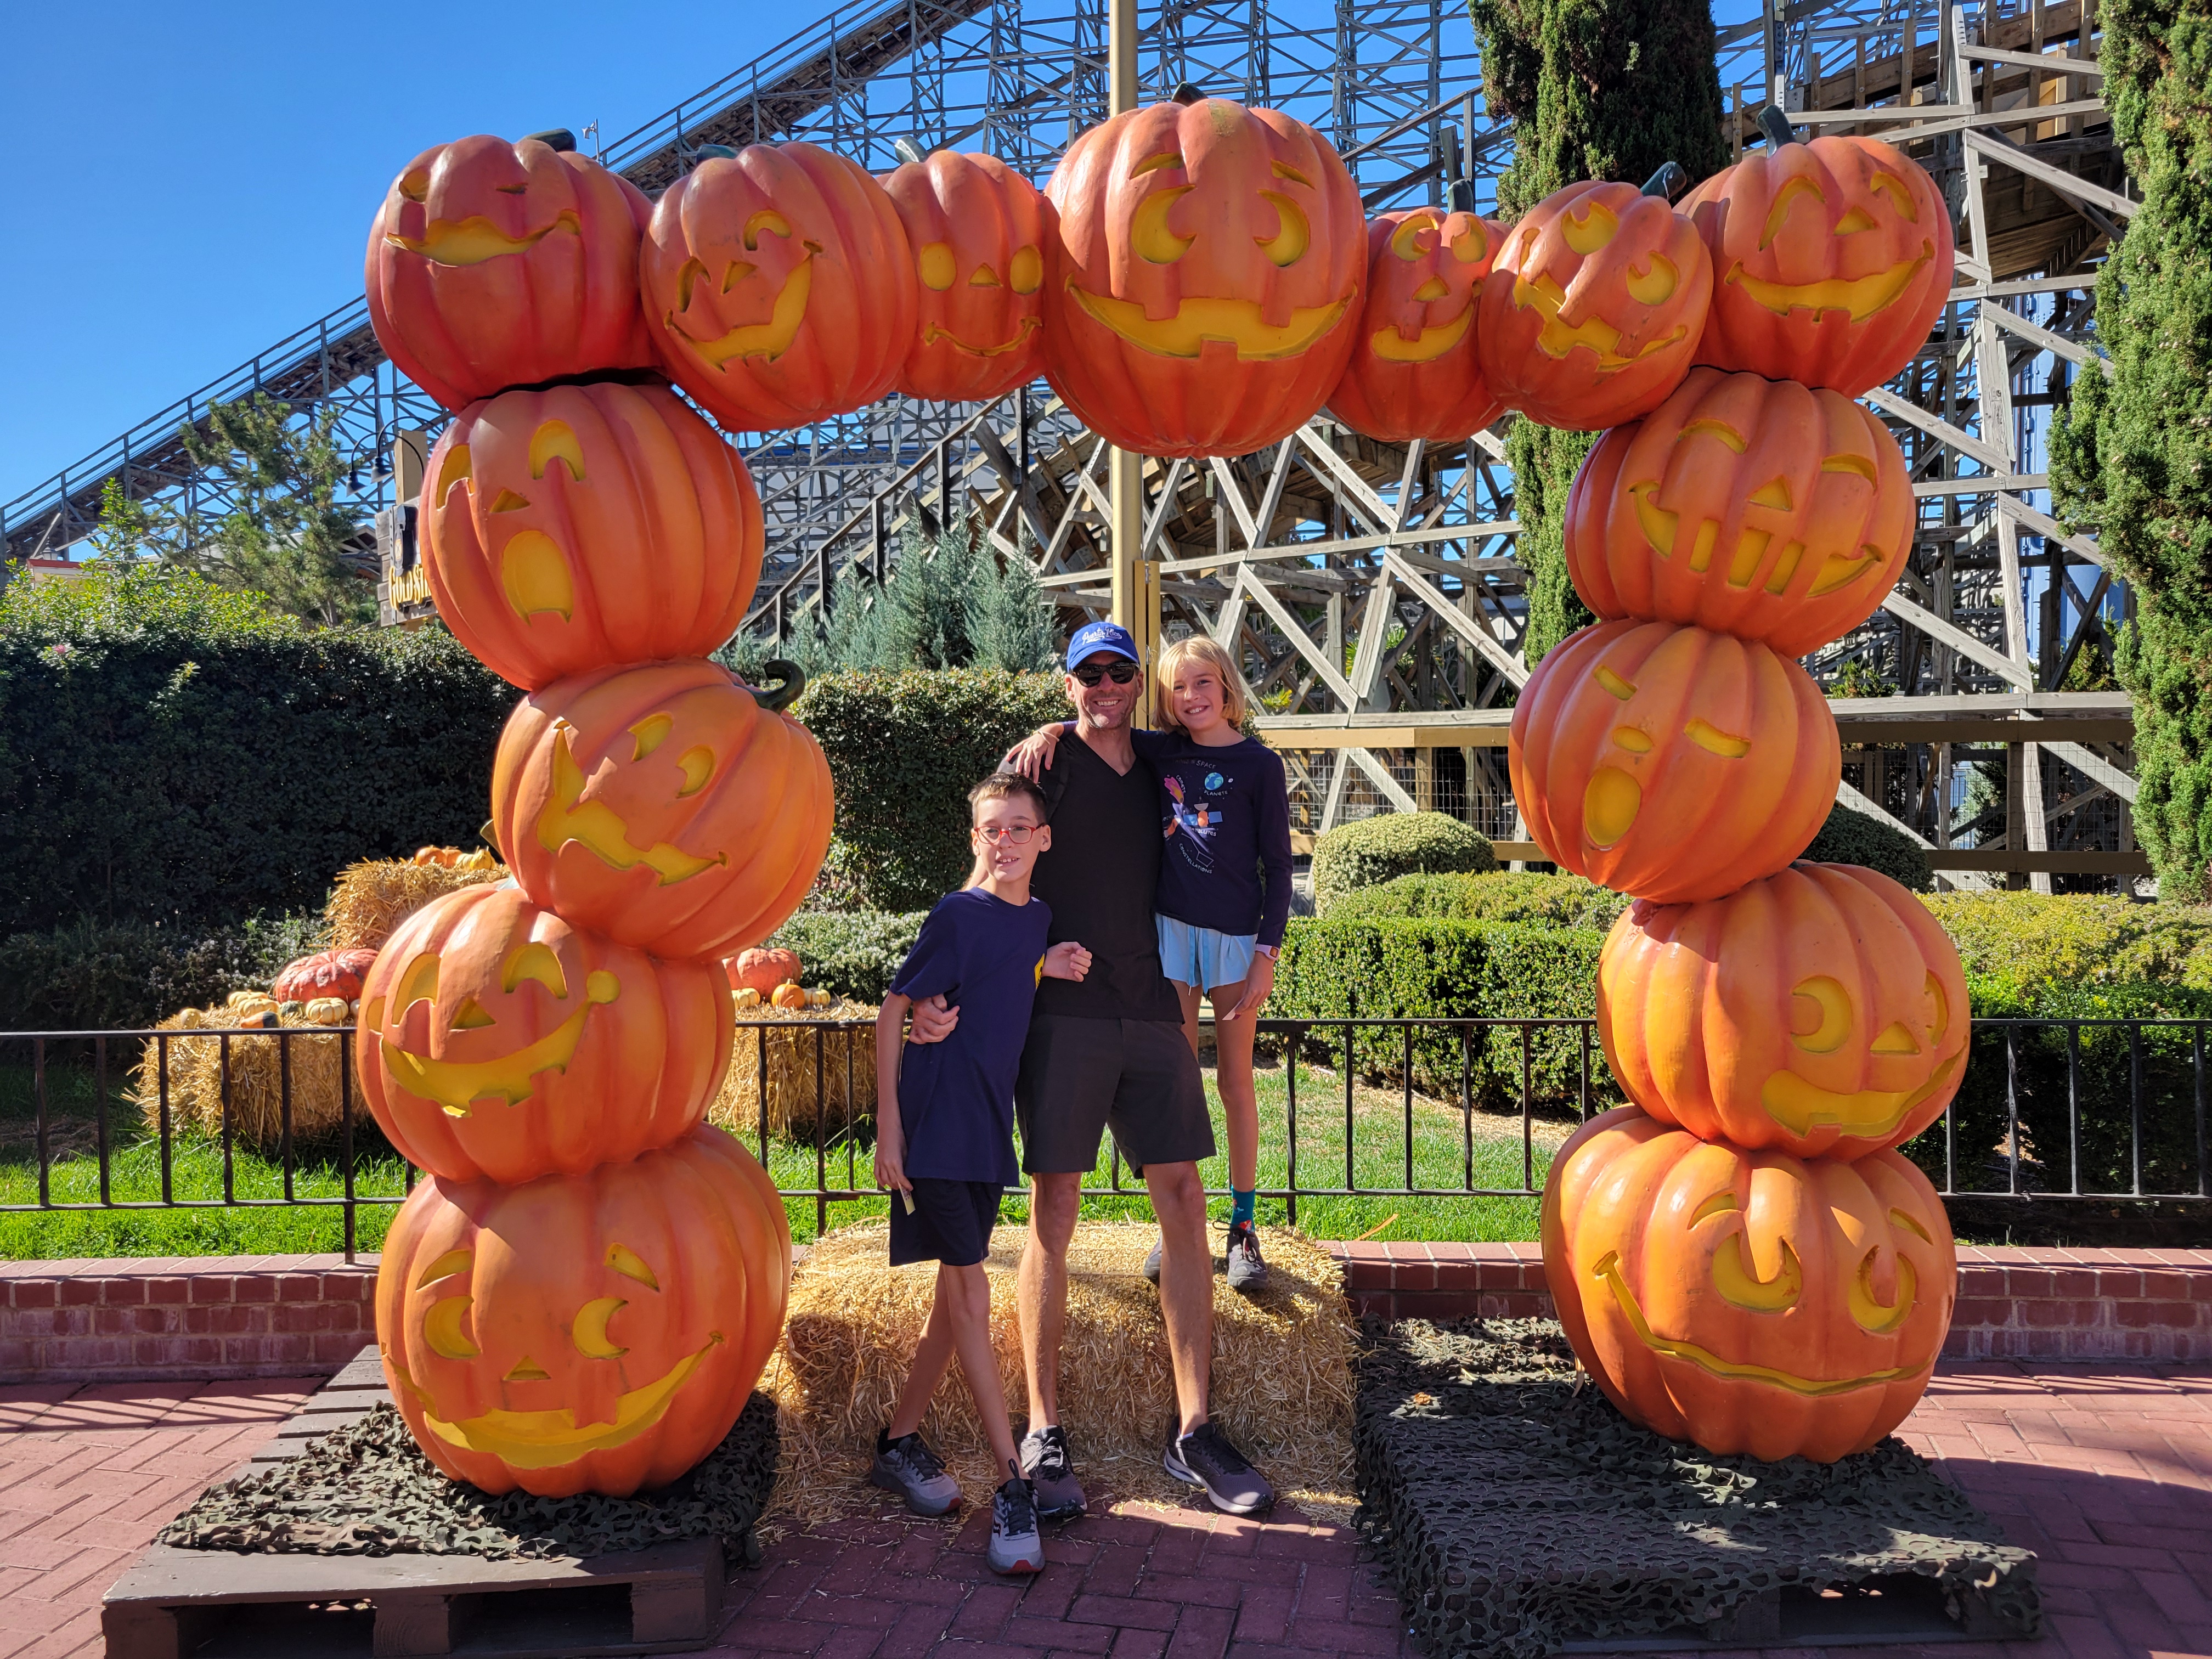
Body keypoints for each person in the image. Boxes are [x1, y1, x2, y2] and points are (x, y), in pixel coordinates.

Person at [908, 621, 1278, 1520]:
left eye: (1120, 671)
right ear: (1067, 681)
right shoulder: (1040, 763)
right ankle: (1044, 1425)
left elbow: (1234, 789)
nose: (1107, 684)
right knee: (1056, 1203)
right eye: (1090, 673)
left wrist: (1260, 945)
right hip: (1065, 1015)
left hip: (1151, 1005)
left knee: (1184, 1196)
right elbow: (989, 865)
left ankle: (1193, 1429)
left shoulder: (1162, 756)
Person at [1006, 634, 1291, 1291]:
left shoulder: (1259, 766)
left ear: (1227, 688)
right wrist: (1049, 727)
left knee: (1236, 1082)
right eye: (1179, 687)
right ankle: (1179, 1235)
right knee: (1178, 1090)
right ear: (1160, 696)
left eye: (1204, 684)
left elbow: (1279, 868)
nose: (1191, 697)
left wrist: (1266, 954)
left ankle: (1243, 1227)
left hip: (1233, 941)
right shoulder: (1163, 749)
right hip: (1171, 936)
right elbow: (1094, 725)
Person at [870, 771, 1093, 1575]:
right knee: (971, 1290)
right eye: (990, 830)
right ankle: (1012, 1481)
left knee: (949, 1302)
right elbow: (896, 1008)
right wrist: (888, 1132)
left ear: (1043, 840)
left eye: (1018, 828)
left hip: (983, 1132)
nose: (1004, 842)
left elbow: (1007, 969)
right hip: (933, 1131)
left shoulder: (1034, 918)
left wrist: (1047, 962)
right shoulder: (956, 913)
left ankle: (897, 1440)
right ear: (974, 840)